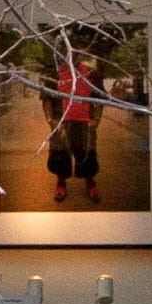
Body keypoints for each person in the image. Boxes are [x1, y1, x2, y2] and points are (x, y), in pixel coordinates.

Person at [42, 44, 107, 204]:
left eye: (75, 52)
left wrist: (96, 120)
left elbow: (99, 99)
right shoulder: (54, 74)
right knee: (60, 156)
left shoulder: (91, 74)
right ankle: (61, 183)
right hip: (61, 122)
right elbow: (46, 99)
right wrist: (51, 121)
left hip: (84, 123)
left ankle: (90, 183)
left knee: (87, 155)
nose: (72, 55)